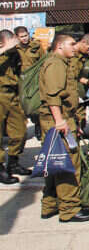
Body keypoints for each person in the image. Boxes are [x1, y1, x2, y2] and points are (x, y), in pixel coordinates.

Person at [38, 34, 89, 222]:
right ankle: (69, 209)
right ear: (60, 46)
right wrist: (60, 121)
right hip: (58, 120)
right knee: (68, 164)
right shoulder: (56, 64)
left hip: (62, 118)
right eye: (71, 44)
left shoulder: (61, 62)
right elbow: (53, 95)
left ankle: (50, 204)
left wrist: (74, 122)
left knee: (55, 162)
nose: (74, 46)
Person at [0, 30, 30, 184]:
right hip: (0, 94)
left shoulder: (16, 54)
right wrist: (4, 49)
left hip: (14, 95)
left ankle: (13, 163)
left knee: (20, 131)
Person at [14, 25, 46, 140]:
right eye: (21, 37)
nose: (24, 38)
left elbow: (43, 62)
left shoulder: (36, 46)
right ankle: (21, 131)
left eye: (26, 35)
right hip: (20, 81)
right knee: (20, 108)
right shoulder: (14, 49)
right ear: (16, 37)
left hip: (34, 81)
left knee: (35, 106)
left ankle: (38, 125)